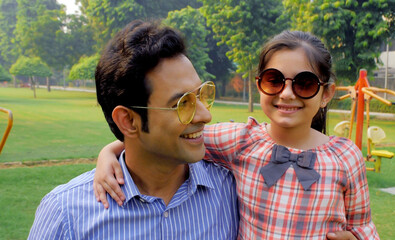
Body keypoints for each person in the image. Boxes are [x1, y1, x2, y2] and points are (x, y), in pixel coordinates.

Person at [94, 31, 377, 239]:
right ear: (260, 85)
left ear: (326, 93)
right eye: (274, 80)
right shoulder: (241, 140)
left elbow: (364, 225)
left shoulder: (345, 156)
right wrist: (109, 152)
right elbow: (167, 136)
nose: (287, 93)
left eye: (304, 83)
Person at [28, 20, 239, 239]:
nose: (206, 115)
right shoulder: (67, 214)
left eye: (201, 94)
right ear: (127, 121)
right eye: (182, 103)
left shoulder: (231, 190)